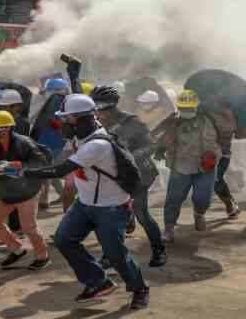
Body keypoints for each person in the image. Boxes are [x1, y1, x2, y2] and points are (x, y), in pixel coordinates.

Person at [20, 94, 150, 310]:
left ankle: (140, 289)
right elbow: (81, 101)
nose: (62, 124)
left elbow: (61, 170)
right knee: (64, 239)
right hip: (85, 203)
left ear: (81, 120)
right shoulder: (84, 131)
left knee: (116, 254)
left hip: (111, 207)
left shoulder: (97, 145)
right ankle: (98, 281)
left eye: (67, 119)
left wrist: (24, 172)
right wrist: (74, 76)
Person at [90, 85, 167, 268]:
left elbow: (151, 146)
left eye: (102, 109)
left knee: (142, 214)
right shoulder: (97, 124)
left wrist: (131, 156)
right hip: (114, 177)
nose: (99, 113)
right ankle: (110, 255)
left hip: (139, 175)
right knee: (108, 217)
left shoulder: (132, 122)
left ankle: (159, 250)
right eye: (97, 109)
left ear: (111, 106)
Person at [0, 110, 51, 270]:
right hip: (6, 190)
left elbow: (40, 163)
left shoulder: (24, 143)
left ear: (6, 128)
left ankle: (42, 256)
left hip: (27, 191)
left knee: (28, 227)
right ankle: (16, 249)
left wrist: (17, 165)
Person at [154, 90, 221, 242]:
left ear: (196, 107)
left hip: (205, 167)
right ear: (178, 107)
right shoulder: (173, 122)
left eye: (189, 108)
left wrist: (211, 156)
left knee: (202, 198)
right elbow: (162, 137)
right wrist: (160, 148)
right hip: (180, 165)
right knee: (173, 199)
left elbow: (213, 142)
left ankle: (199, 214)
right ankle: (169, 228)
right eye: (183, 108)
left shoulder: (207, 121)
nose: (186, 111)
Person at [30, 78, 71, 210]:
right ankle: (61, 196)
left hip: (53, 143)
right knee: (52, 172)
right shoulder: (63, 101)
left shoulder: (55, 102)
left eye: (50, 90)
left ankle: (45, 200)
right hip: (55, 143)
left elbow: (50, 122)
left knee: (49, 172)